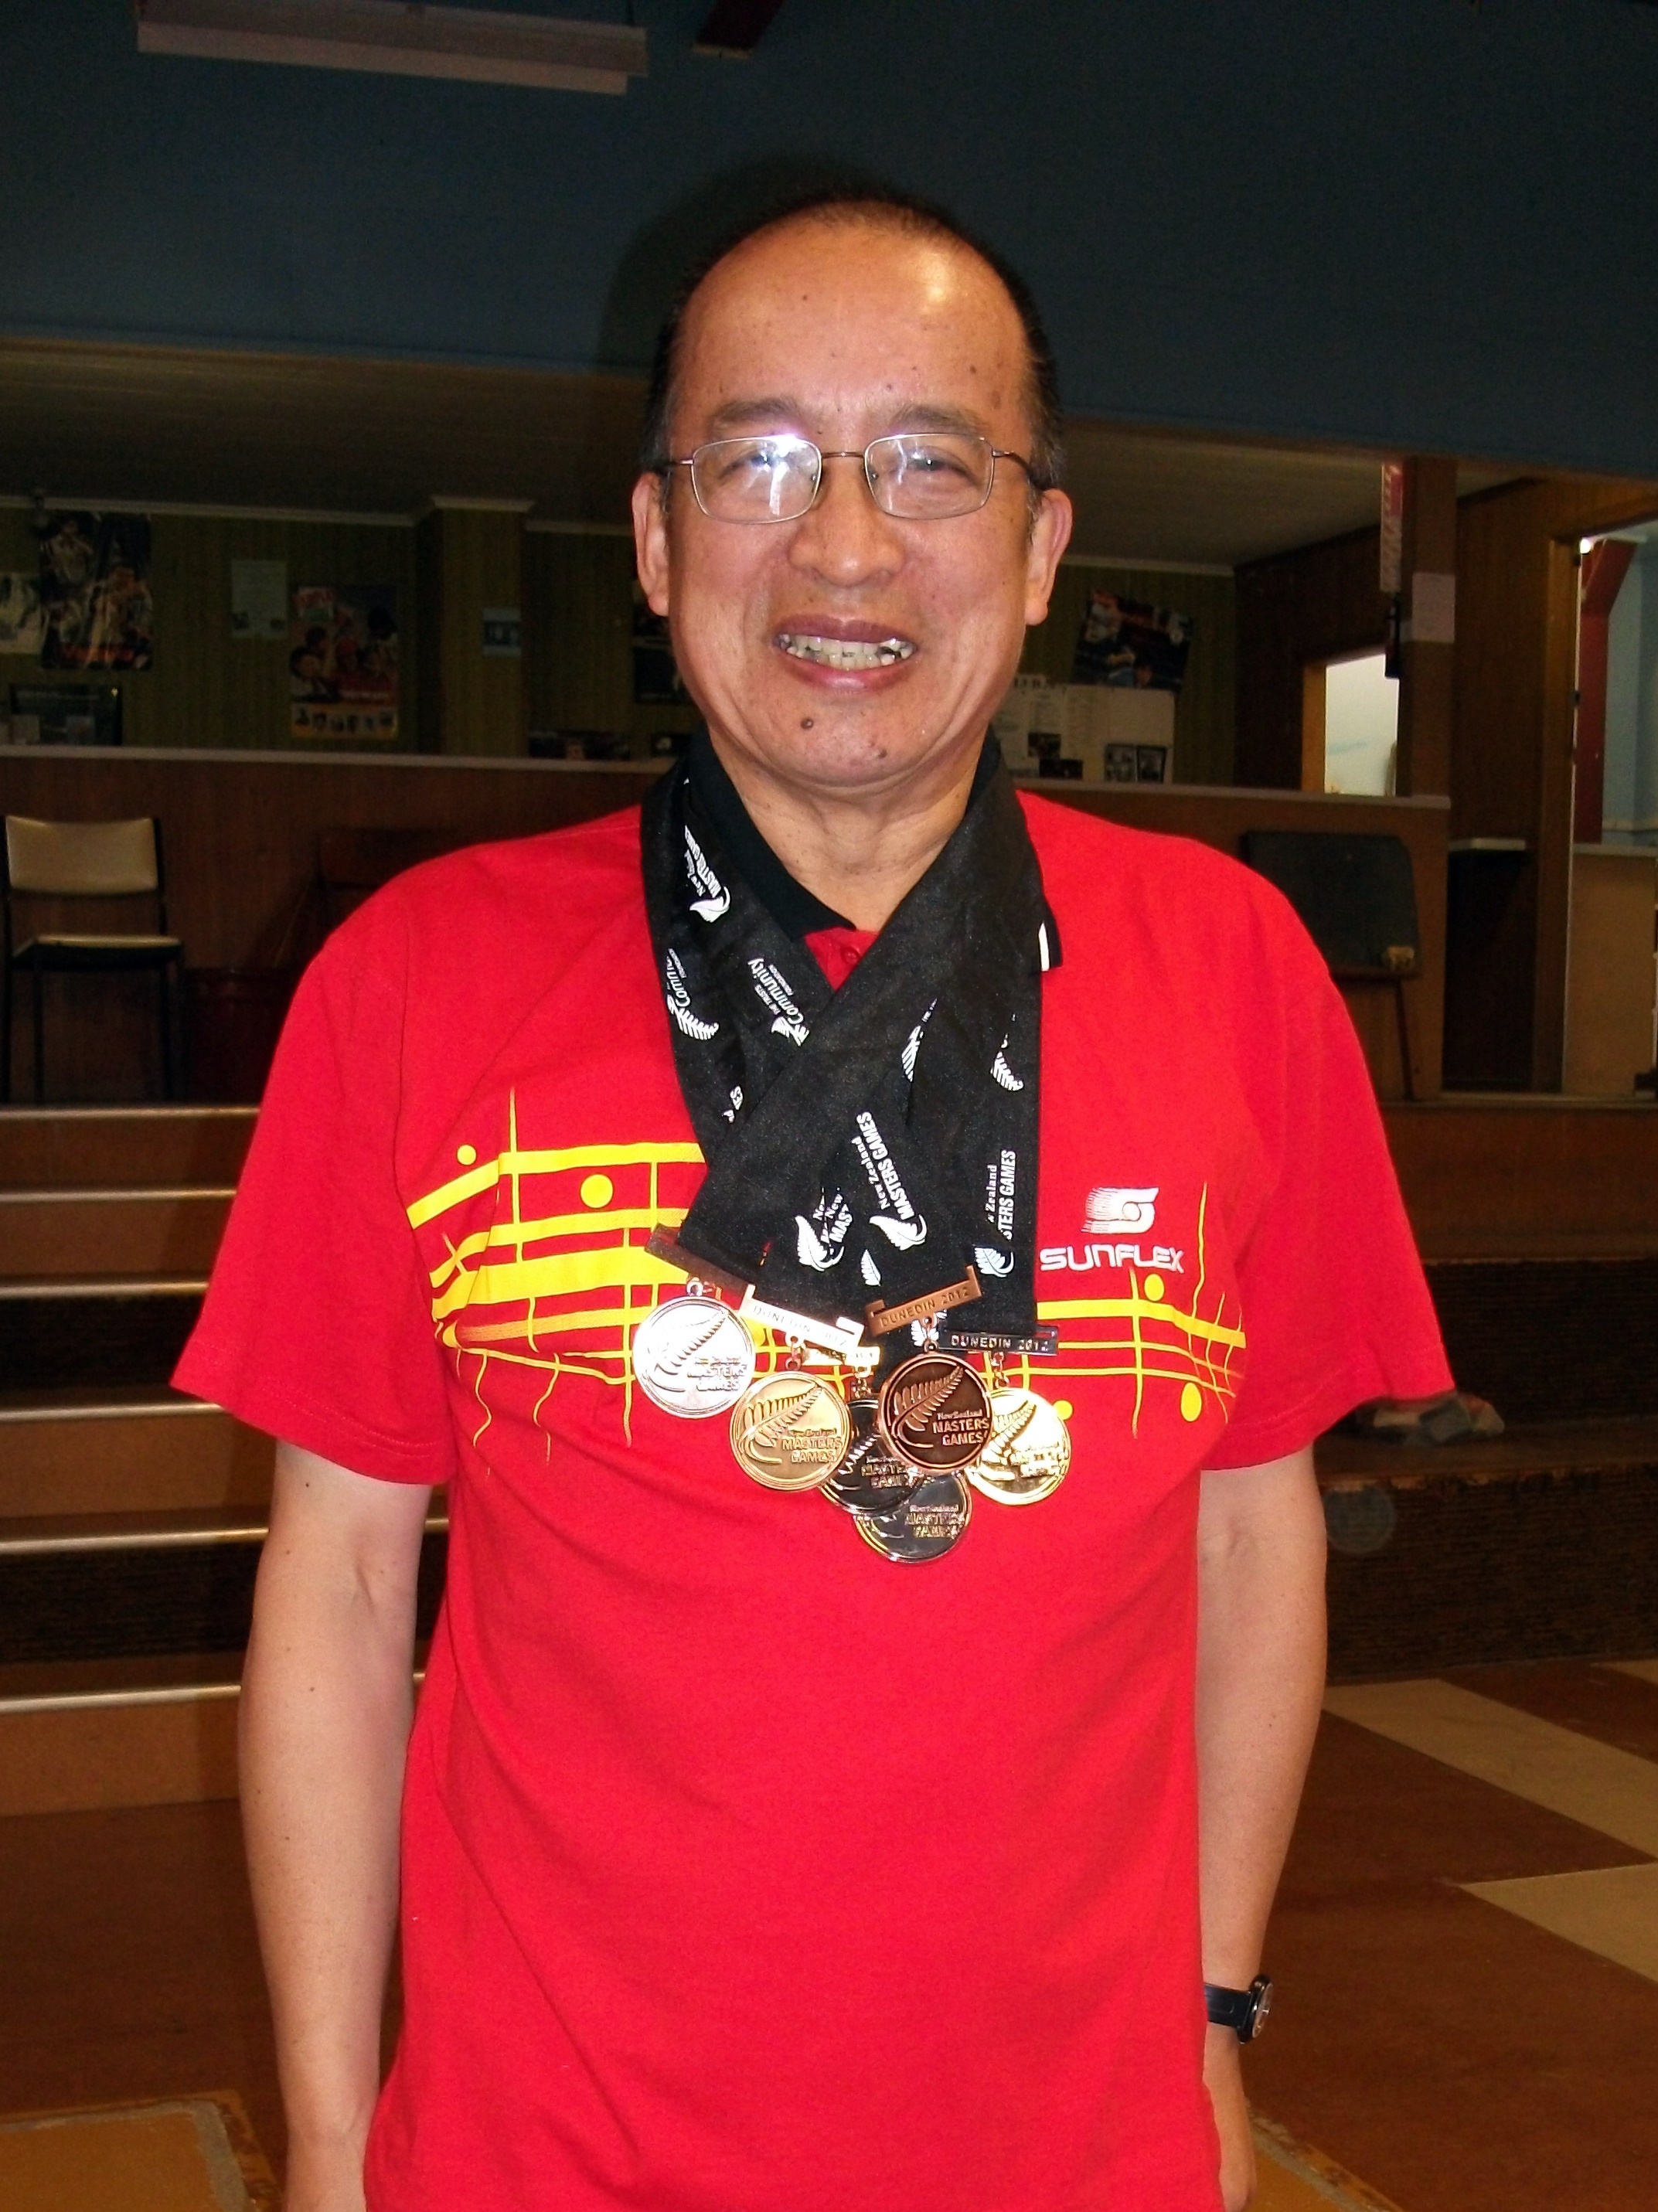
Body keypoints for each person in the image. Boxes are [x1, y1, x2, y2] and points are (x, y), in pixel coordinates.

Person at [176, 191, 1449, 2212]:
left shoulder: (1235, 971)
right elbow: (334, 1589)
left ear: (1041, 548)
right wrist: (334, 2145)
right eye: (757, 463)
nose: (844, 546)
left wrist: (1214, 2017)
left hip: (1076, 2152)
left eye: (931, 465)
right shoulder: (417, 977)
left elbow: (1248, 1534)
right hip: (544, 2155)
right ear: (656, 536)